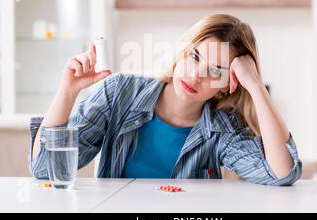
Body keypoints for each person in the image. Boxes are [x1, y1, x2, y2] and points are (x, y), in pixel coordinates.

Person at [28, 13, 302, 185]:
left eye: (215, 71)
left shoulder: (222, 129)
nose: (195, 76)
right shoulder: (120, 93)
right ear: (183, 51)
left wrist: (255, 85)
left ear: (226, 87)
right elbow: (44, 168)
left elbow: (282, 173)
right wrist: (68, 91)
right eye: (195, 57)